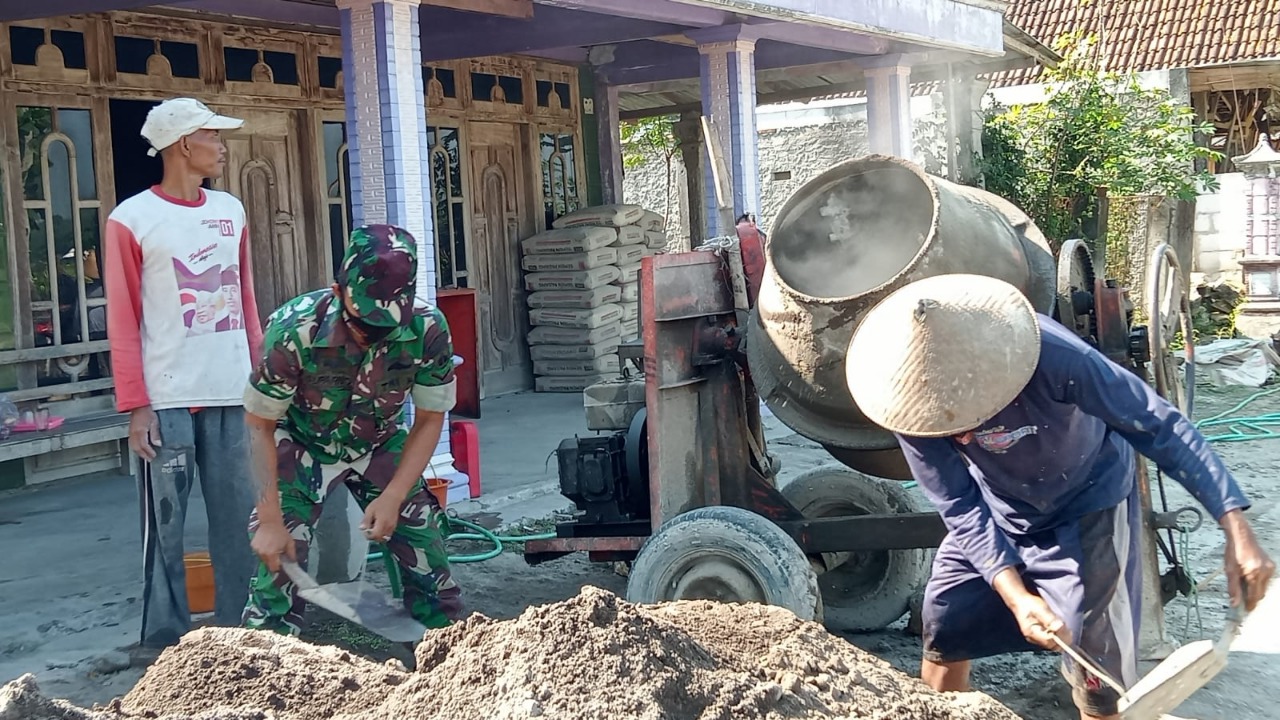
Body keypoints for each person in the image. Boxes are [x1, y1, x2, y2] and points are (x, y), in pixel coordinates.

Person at [843, 273, 1275, 720]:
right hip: (997, 505)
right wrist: (1016, 595)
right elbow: (960, 504)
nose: (963, 428)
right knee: (946, 620)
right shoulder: (904, 396)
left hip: (1087, 502)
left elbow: (1157, 423)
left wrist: (1234, 525)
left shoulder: (1052, 355)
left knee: (1094, 659)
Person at [241, 224, 463, 635]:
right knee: (280, 554)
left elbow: (431, 417)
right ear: (338, 291)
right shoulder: (294, 331)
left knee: (425, 542)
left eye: (386, 328)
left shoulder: (427, 329)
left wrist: (394, 497)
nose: (372, 337)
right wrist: (269, 517)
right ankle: (266, 655)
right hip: (300, 441)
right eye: (364, 324)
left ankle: (443, 645)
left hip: (379, 441)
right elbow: (259, 426)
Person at [103, 97, 263, 653]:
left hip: (231, 392)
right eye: (212, 136)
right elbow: (123, 319)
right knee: (164, 531)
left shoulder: (232, 210)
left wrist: (261, 380)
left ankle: (241, 628)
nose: (221, 145)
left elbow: (245, 300)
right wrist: (136, 406)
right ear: (181, 145)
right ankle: (161, 637)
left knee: (239, 522)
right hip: (167, 399)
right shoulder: (131, 220)